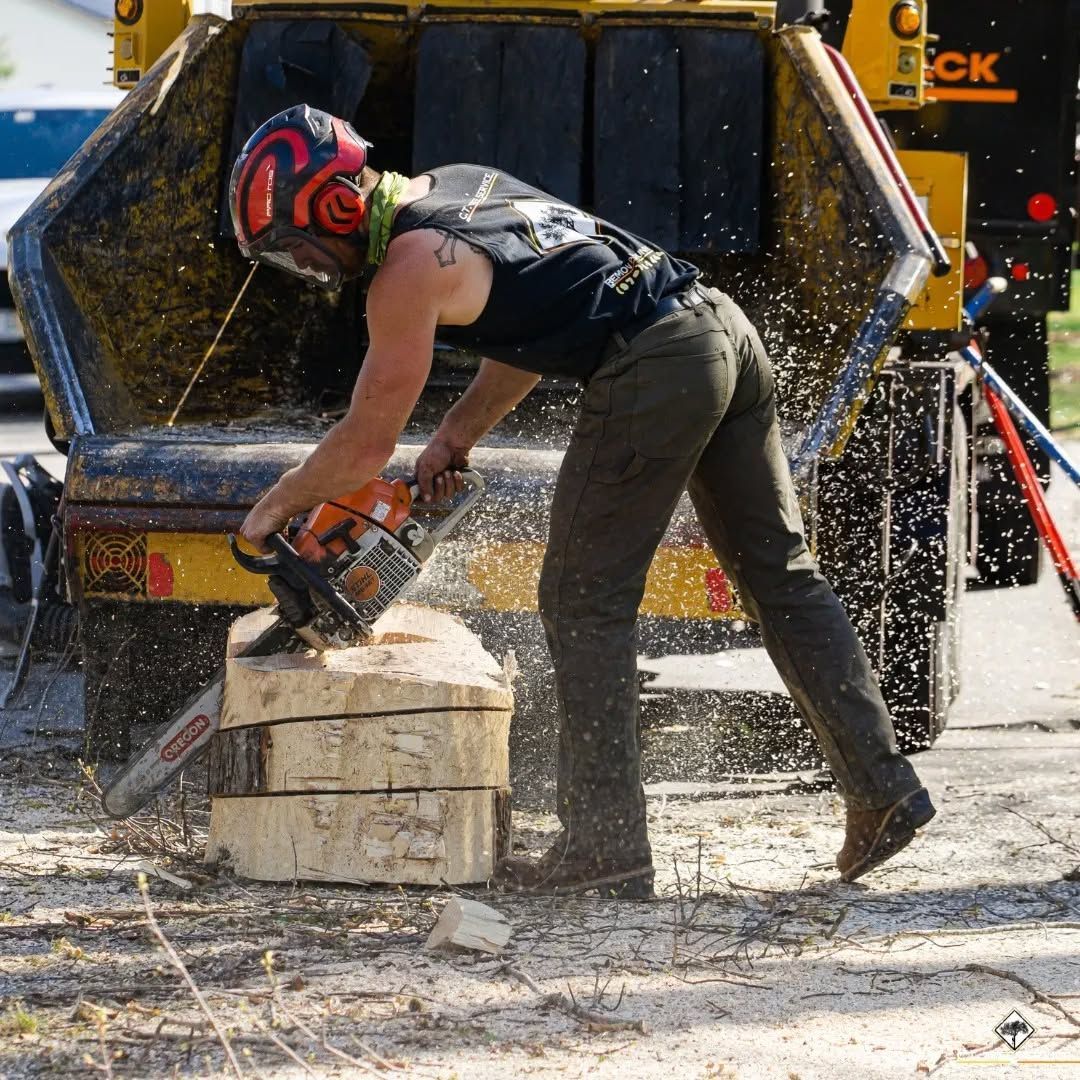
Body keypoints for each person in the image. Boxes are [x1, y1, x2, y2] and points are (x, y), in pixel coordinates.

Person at [232, 104, 936, 898]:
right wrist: (455, 437)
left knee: (580, 598)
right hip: (722, 331)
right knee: (782, 574)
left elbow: (364, 445)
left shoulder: (405, 269)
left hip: (661, 362)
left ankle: (606, 849)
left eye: (298, 245)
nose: (308, 264)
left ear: (335, 204)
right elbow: (536, 325)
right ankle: (884, 790)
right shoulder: (461, 187)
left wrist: (268, 513)